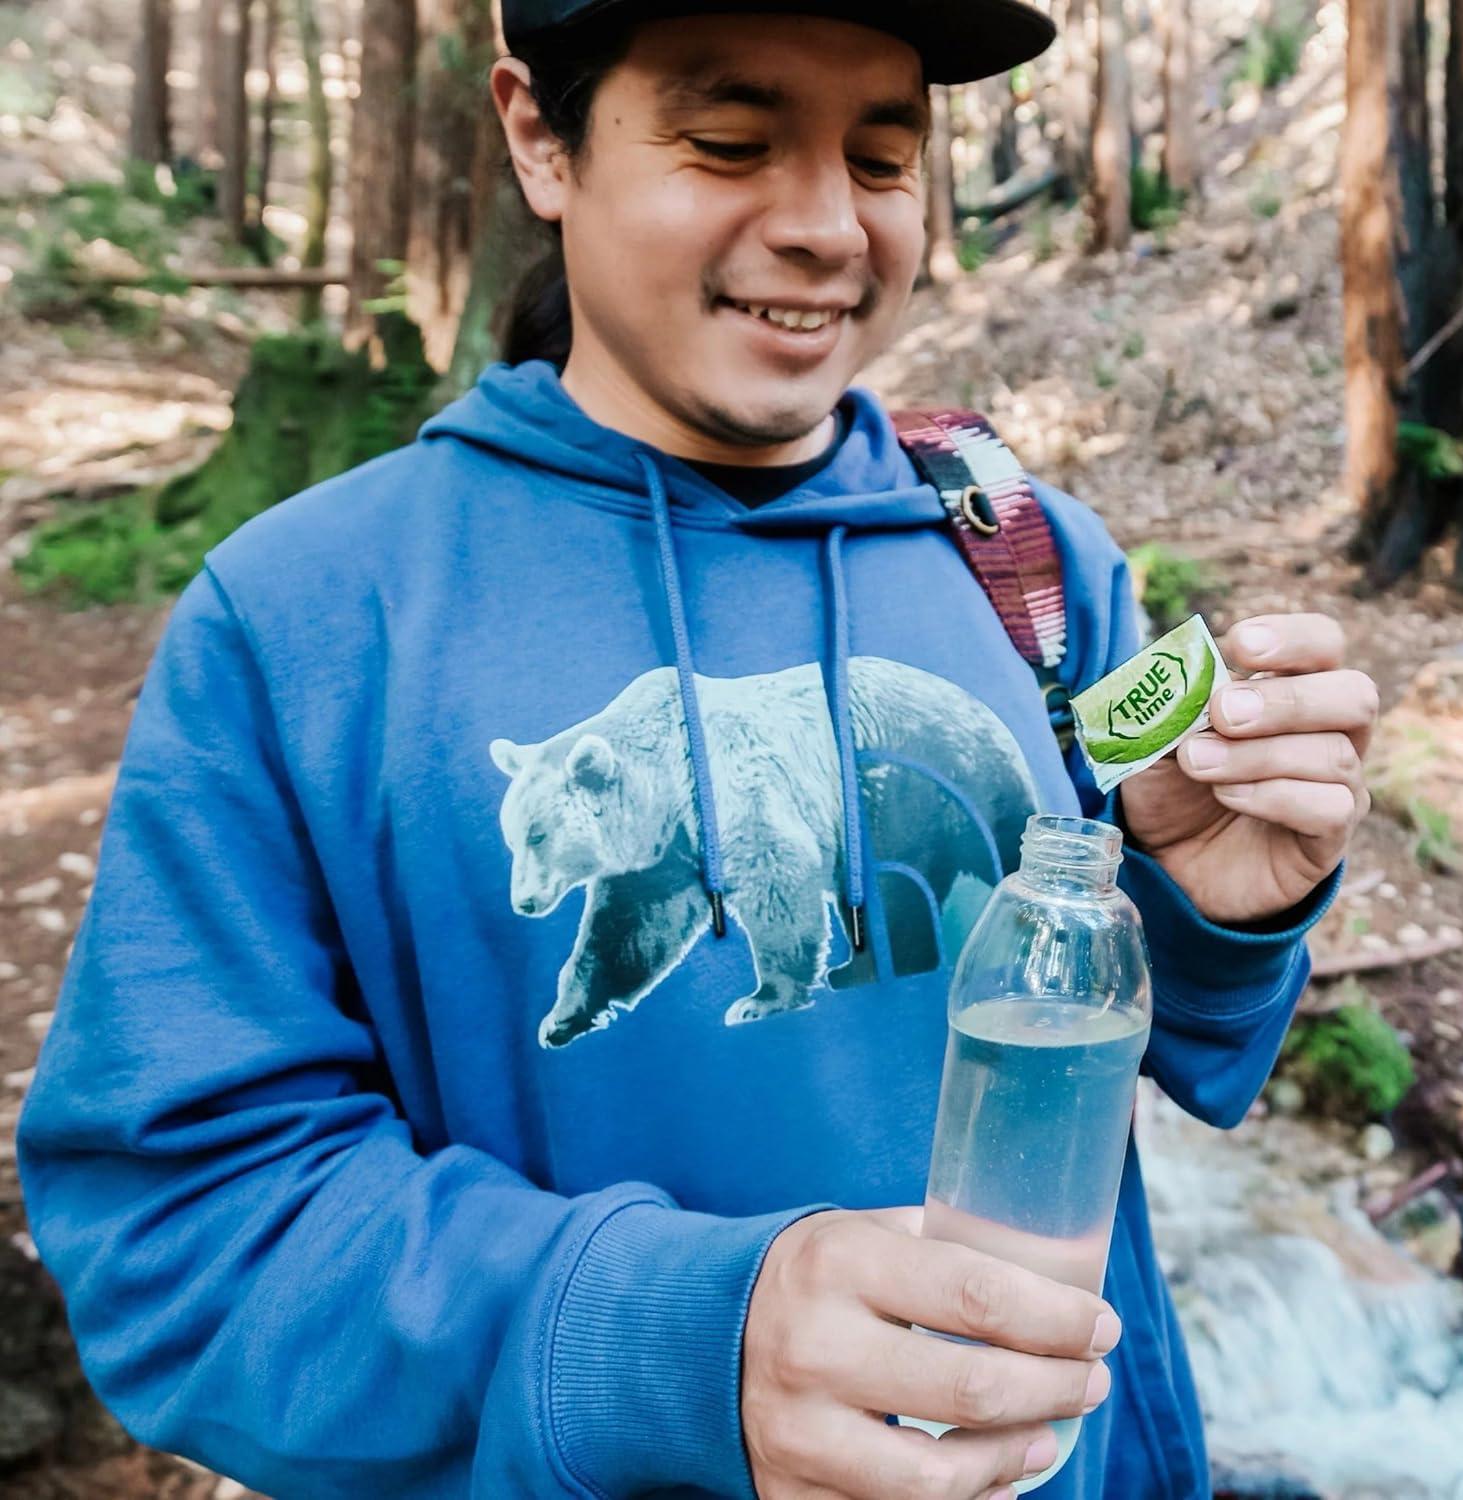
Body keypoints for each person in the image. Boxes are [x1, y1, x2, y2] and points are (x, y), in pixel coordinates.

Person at [17, 3, 1378, 1497]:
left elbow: (1155, 1039)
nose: (823, 228)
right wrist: (672, 1345)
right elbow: (184, 1236)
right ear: (542, 139)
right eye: (730, 143)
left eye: (883, 155)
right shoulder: (313, 622)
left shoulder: (1030, 558)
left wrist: (1214, 910)